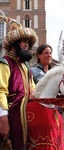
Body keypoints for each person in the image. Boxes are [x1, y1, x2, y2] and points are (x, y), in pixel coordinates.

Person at [0, 15, 37, 149]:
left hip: (26, 113)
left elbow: (32, 86)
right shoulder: (5, 62)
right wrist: (3, 118)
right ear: (14, 43)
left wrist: (33, 93)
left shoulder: (25, 65)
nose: (26, 44)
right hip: (11, 114)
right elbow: (0, 91)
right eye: (22, 41)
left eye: (27, 41)